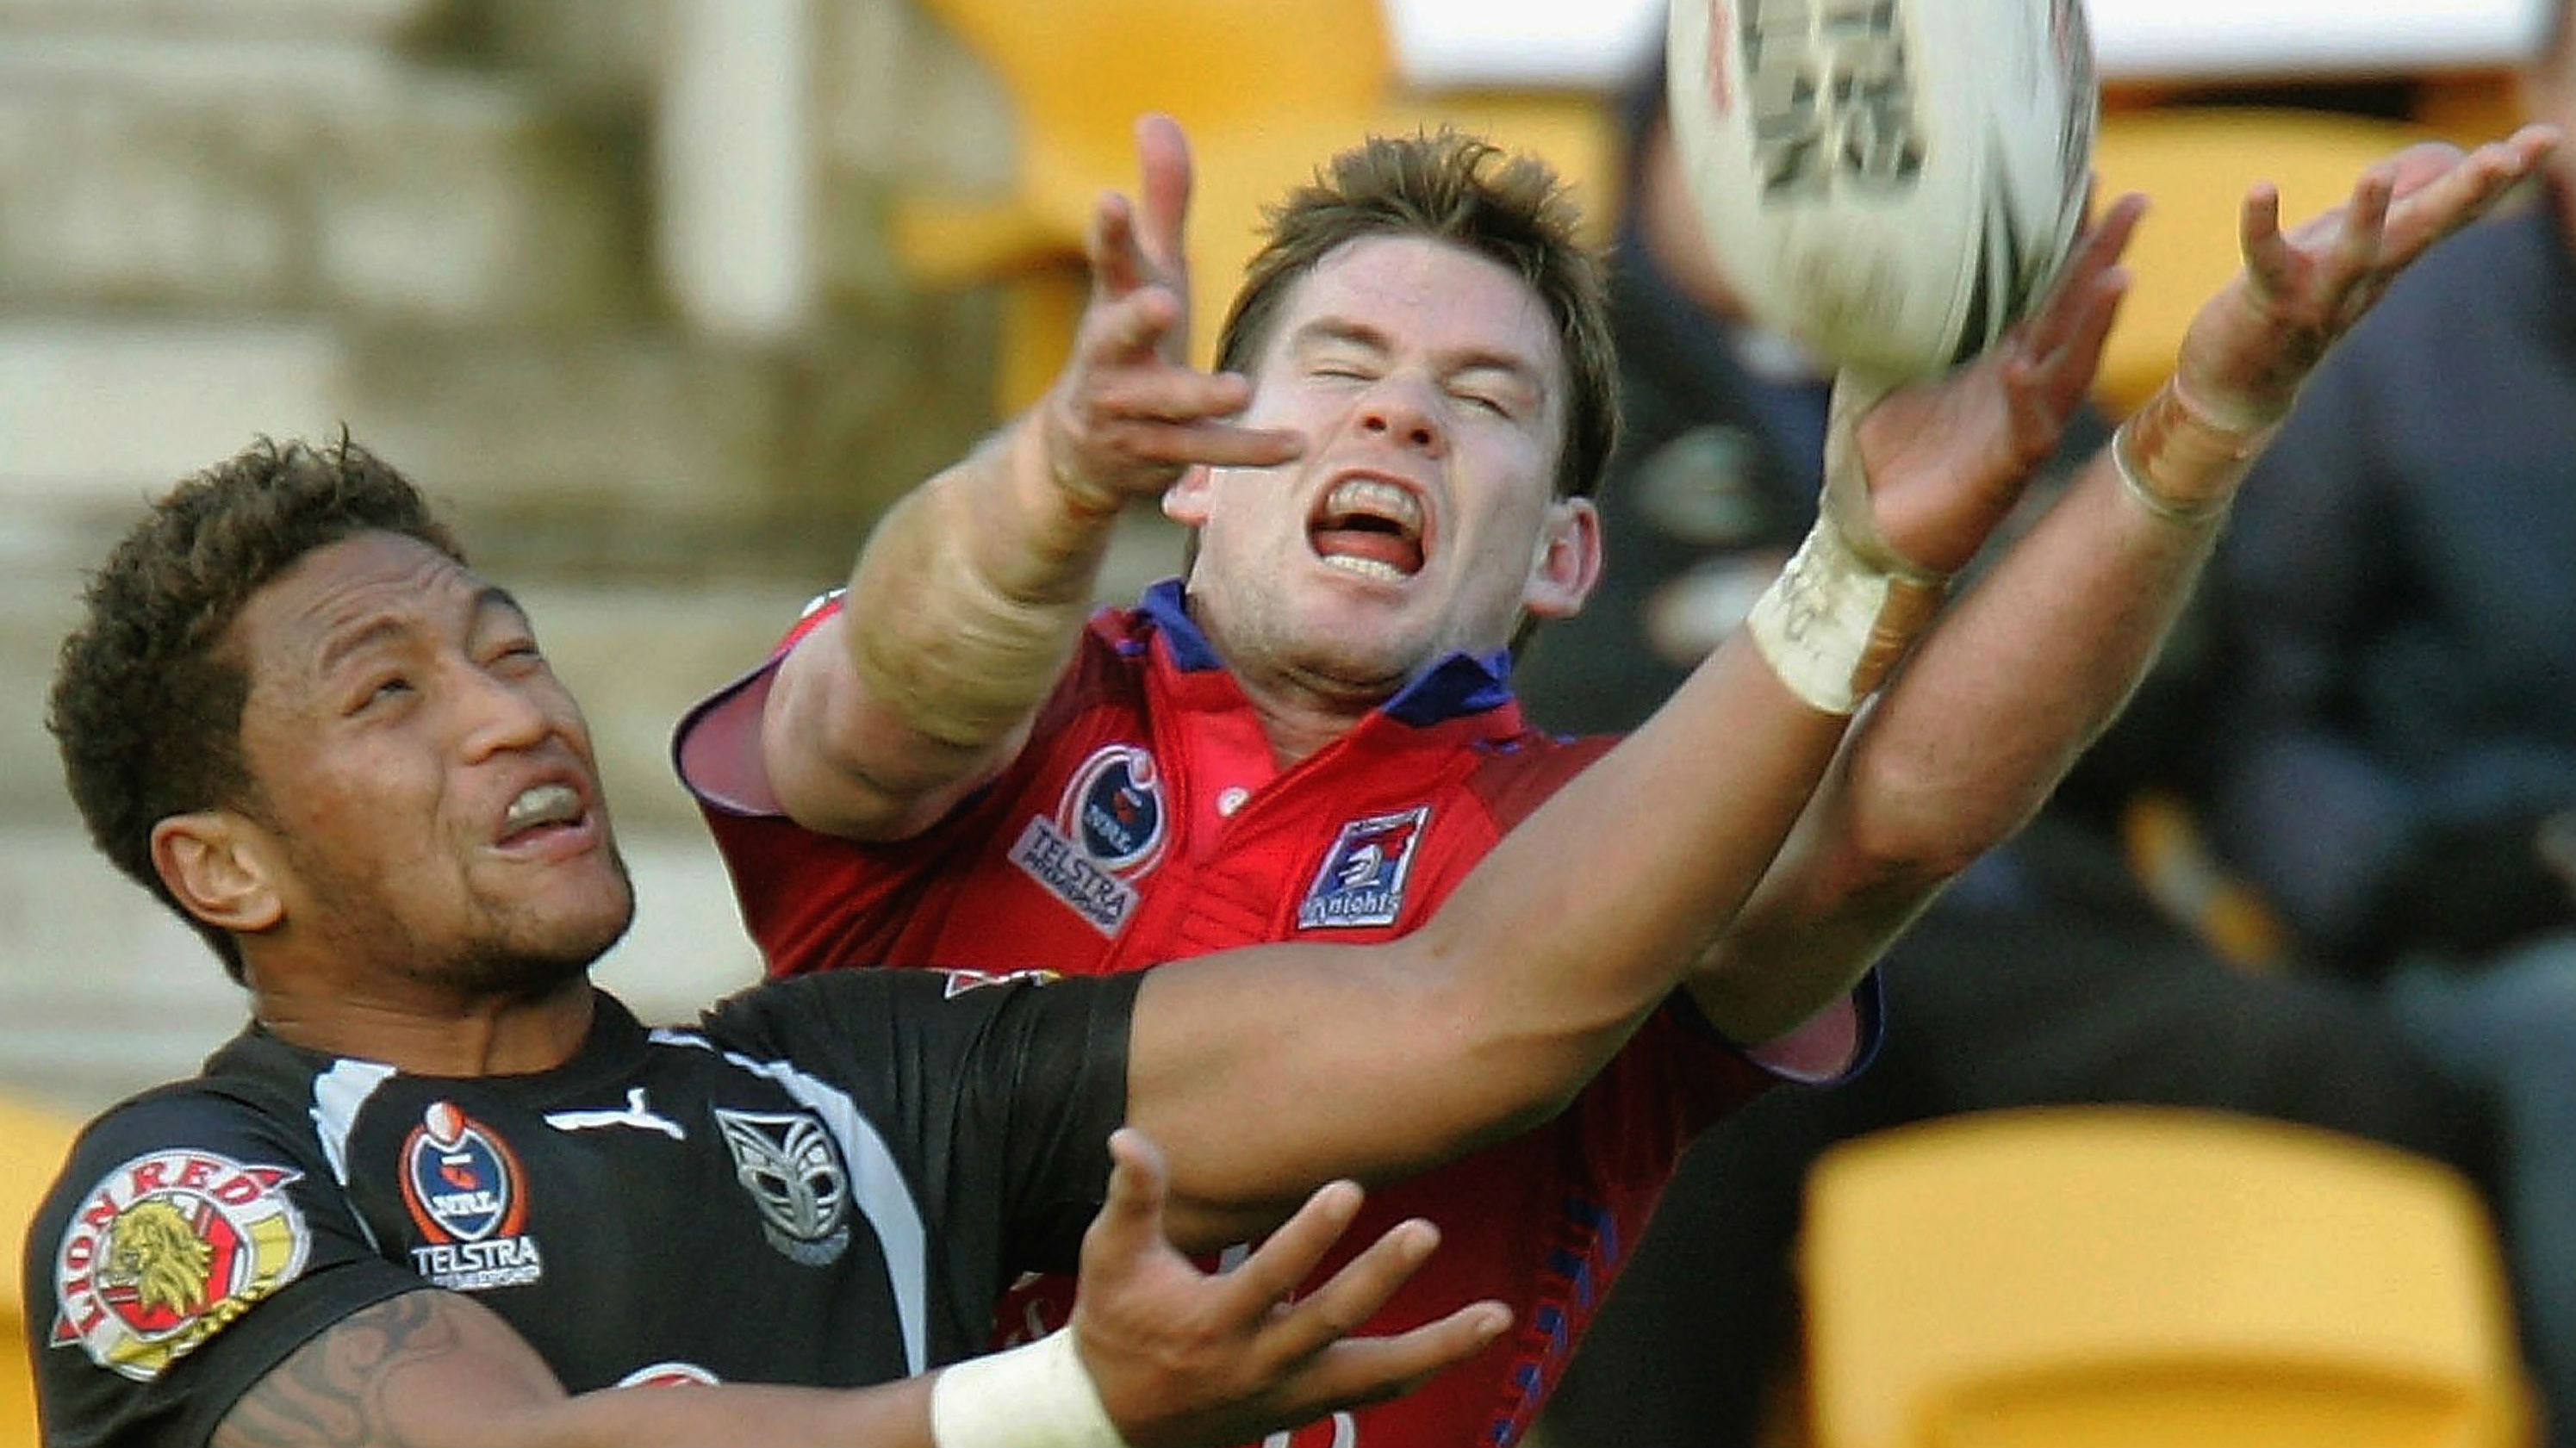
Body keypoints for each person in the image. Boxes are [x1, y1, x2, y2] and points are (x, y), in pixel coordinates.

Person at [674, 109, 2554, 1445]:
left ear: (1567, 557)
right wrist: (1038, 483)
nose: (1400, 408)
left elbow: (1884, 830)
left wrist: (2195, 430)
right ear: (1198, 463)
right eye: (1336, 365)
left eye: (1481, 400)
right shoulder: (1018, 710)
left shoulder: (1585, 838)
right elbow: (890, 699)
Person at [26, 416, 1982, 1448]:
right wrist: (1066, 1408)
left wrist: (1852, 579)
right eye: (392, 697)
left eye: (508, 647)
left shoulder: (845, 1076)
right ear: (224, 869)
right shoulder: (182, 1195)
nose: (515, 713)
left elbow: (1470, 1006)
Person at [1514, 70, 2508, 1446]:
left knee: (2347, 1071)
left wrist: (1811, 631)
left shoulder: (2010, 367)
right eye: (1762, 152)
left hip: (2022, 939)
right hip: (1728, 954)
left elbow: (2166, 679)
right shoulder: (1559, 404)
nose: (1820, 191)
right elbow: (1587, 696)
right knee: (1653, 1105)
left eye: (1864, 149)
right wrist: (1960, 645)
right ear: (1645, 168)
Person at [2194, 11, 2576, 1440]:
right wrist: (2404, 881)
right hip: (2474, 913)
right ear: (2537, 95)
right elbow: (2260, 706)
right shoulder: (2397, 340)